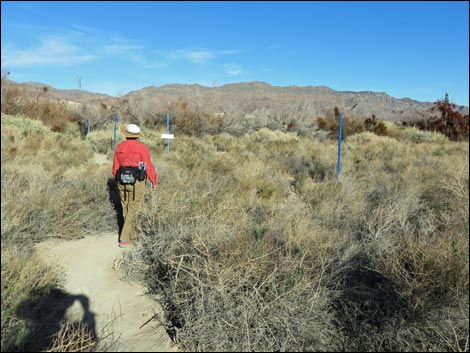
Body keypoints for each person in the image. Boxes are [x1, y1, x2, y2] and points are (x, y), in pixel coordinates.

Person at [112, 123, 158, 248]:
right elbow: (147, 165)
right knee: (133, 208)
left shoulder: (119, 147)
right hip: (137, 181)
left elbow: (115, 167)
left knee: (125, 207)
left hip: (121, 180)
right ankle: (124, 238)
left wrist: (116, 181)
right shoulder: (142, 148)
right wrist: (153, 180)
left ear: (126, 135)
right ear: (137, 136)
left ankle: (131, 235)